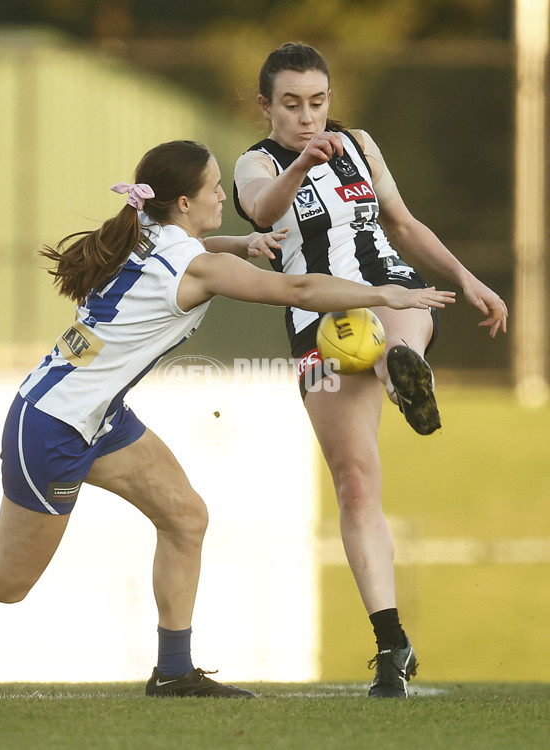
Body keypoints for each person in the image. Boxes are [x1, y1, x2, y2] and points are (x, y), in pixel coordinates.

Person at [0, 140, 454, 698]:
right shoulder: (192, 264)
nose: (222, 194)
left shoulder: (150, 228)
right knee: (6, 580)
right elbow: (299, 288)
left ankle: (173, 672)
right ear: (184, 203)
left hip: (97, 416)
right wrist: (383, 292)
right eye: (214, 187)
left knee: (186, 518)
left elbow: (198, 250)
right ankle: (172, 669)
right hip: (53, 425)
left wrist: (243, 240)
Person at [233, 43, 508, 698]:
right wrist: (301, 161)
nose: (308, 116)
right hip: (321, 325)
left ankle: (400, 369)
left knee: (396, 335)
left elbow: (402, 223)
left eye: (318, 103)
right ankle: (392, 646)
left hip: (392, 287)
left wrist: (466, 277)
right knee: (355, 482)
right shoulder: (257, 162)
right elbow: (263, 213)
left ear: (331, 99)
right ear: (267, 105)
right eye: (292, 104)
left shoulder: (358, 144)